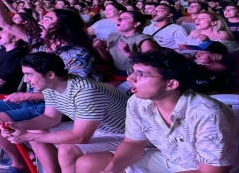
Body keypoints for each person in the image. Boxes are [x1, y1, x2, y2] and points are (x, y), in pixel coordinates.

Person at [77, 49, 239, 173]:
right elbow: (133, 143)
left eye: (141, 74)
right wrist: (112, 168)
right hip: (169, 159)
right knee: (88, 163)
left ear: (171, 84)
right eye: (133, 72)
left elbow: (211, 172)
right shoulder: (138, 101)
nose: (130, 79)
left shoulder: (208, 114)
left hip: (204, 168)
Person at [0, 52, 128, 173]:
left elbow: (81, 137)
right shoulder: (51, 86)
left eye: (30, 74)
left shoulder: (86, 92)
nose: (26, 80)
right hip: (97, 127)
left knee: (66, 149)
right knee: (35, 131)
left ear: (50, 75)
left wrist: (28, 136)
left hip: (123, 134)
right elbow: (50, 118)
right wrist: (19, 125)